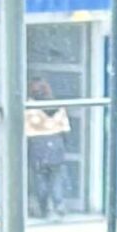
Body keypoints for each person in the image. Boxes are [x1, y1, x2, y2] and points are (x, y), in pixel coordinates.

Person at [24, 77, 71, 219]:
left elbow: (25, 129)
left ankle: (43, 207)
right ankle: (58, 204)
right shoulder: (58, 106)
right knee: (56, 177)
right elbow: (65, 129)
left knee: (40, 179)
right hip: (56, 143)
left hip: (37, 145)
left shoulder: (28, 107)